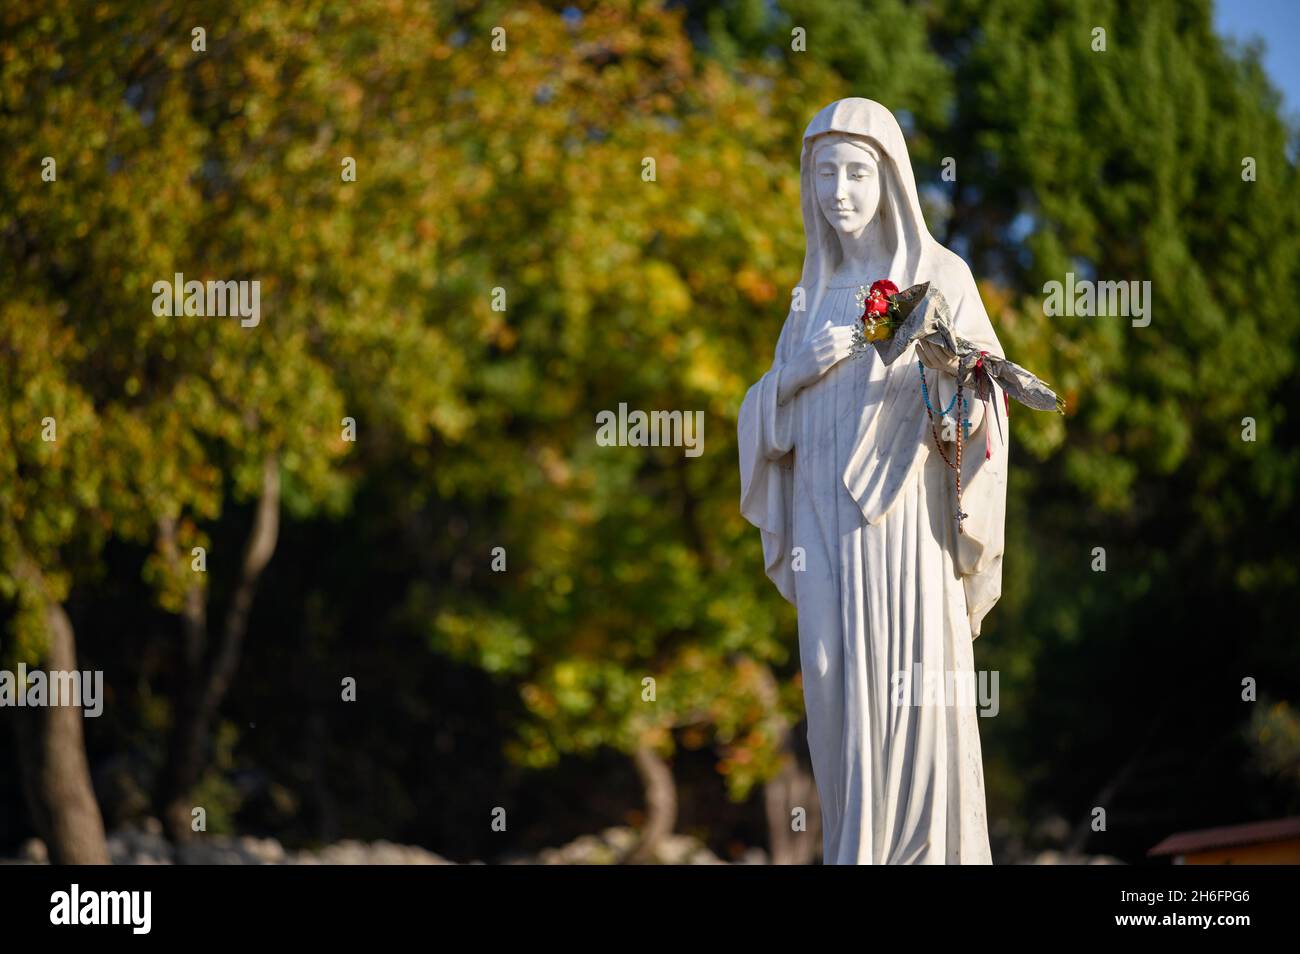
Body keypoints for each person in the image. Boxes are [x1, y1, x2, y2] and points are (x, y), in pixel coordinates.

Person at [737, 98, 1007, 864]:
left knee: (908, 683)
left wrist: (957, 396)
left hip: (904, 523)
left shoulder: (937, 275)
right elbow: (764, 420)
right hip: (819, 516)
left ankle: (922, 851)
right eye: (825, 174)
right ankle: (857, 849)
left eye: (857, 172)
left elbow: (986, 394)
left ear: (891, 178)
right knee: (827, 677)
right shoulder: (807, 300)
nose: (840, 192)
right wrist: (796, 372)